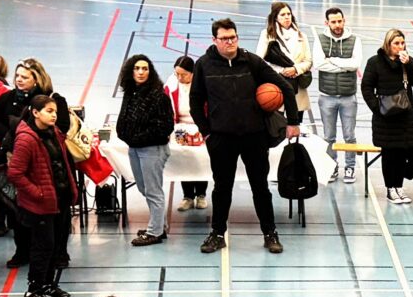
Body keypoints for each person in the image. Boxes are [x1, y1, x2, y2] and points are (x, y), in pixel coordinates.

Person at [188, 18, 300, 256]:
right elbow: (195, 101)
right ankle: (217, 234)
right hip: (221, 138)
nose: (230, 42)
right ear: (214, 40)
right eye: (225, 38)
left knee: (260, 187)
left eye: (233, 37)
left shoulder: (251, 61)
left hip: (254, 137)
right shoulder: (204, 65)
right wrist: (206, 131)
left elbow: (286, 87)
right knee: (222, 188)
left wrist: (293, 122)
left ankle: (270, 233)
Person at [7, 94, 78, 297]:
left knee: (55, 246)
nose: (54, 115)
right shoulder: (27, 139)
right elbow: (15, 173)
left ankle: (47, 285)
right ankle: (33, 291)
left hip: (59, 201)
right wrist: (37, 193)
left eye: (55, 111)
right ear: (35, 113)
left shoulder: (53, 132)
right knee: (42, 247)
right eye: (49, 111)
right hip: (41, 205)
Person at [360, 27, 413, 207]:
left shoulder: (407, 62)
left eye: (402, 43)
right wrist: (377, 107)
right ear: (388, 44)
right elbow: (366, 87)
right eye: (396, 43)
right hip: (385, 117)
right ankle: (391, 189)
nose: (400, 46)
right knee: (389, 154)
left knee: (402, 153)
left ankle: (399, 186)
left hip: (405, 117)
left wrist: (410, 64)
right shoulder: (375, 62)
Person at [114, 54, 175, 245]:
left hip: (152, 150)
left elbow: (165, 127)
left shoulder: (159, 96)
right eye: (137, 68)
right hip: (134, 149)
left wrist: (138, 138)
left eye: (145, 68)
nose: (141, 72)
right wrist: (125, 135)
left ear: (150, 72)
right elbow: (123, 119)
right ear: (131, 72)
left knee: (153, 191)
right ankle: (159, 225)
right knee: (143, 188)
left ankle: (155, 232)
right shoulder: (131, 93)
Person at [311, 7, 362, 186]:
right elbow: (318, 64)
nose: (337, 24)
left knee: (349, 135)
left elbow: (355, 64)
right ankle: (332, 165)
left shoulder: (355, 40)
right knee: (329, 136)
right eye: (333, 22)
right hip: (327, 96)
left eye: (340, 21)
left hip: (349, 96)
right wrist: (343, 65)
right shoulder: (320, 39)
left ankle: (350, 166)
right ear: (327, 23)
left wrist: (331, 60)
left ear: (344, 20)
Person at [258, 1, 314, 124]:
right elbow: (260, 61)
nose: (287, 17)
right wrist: (281, 71)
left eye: (288, 14)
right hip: (275, 87)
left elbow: (308, 61)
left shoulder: (301, 36)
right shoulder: (267, 35)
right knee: (276, 126)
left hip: (297, 88)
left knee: (295, 124)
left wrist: (296, 69)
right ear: (275, 17)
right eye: (283, 14)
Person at [167, 55, 208, 213]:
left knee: (201, 160)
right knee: (184, 159)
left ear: (193, 73)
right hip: (180, 127)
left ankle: (201, 195)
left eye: (183, 74)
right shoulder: (171, 86)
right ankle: (188, 196)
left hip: (200, 126)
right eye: (177, 74)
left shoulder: (202, 84)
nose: (179, 77)